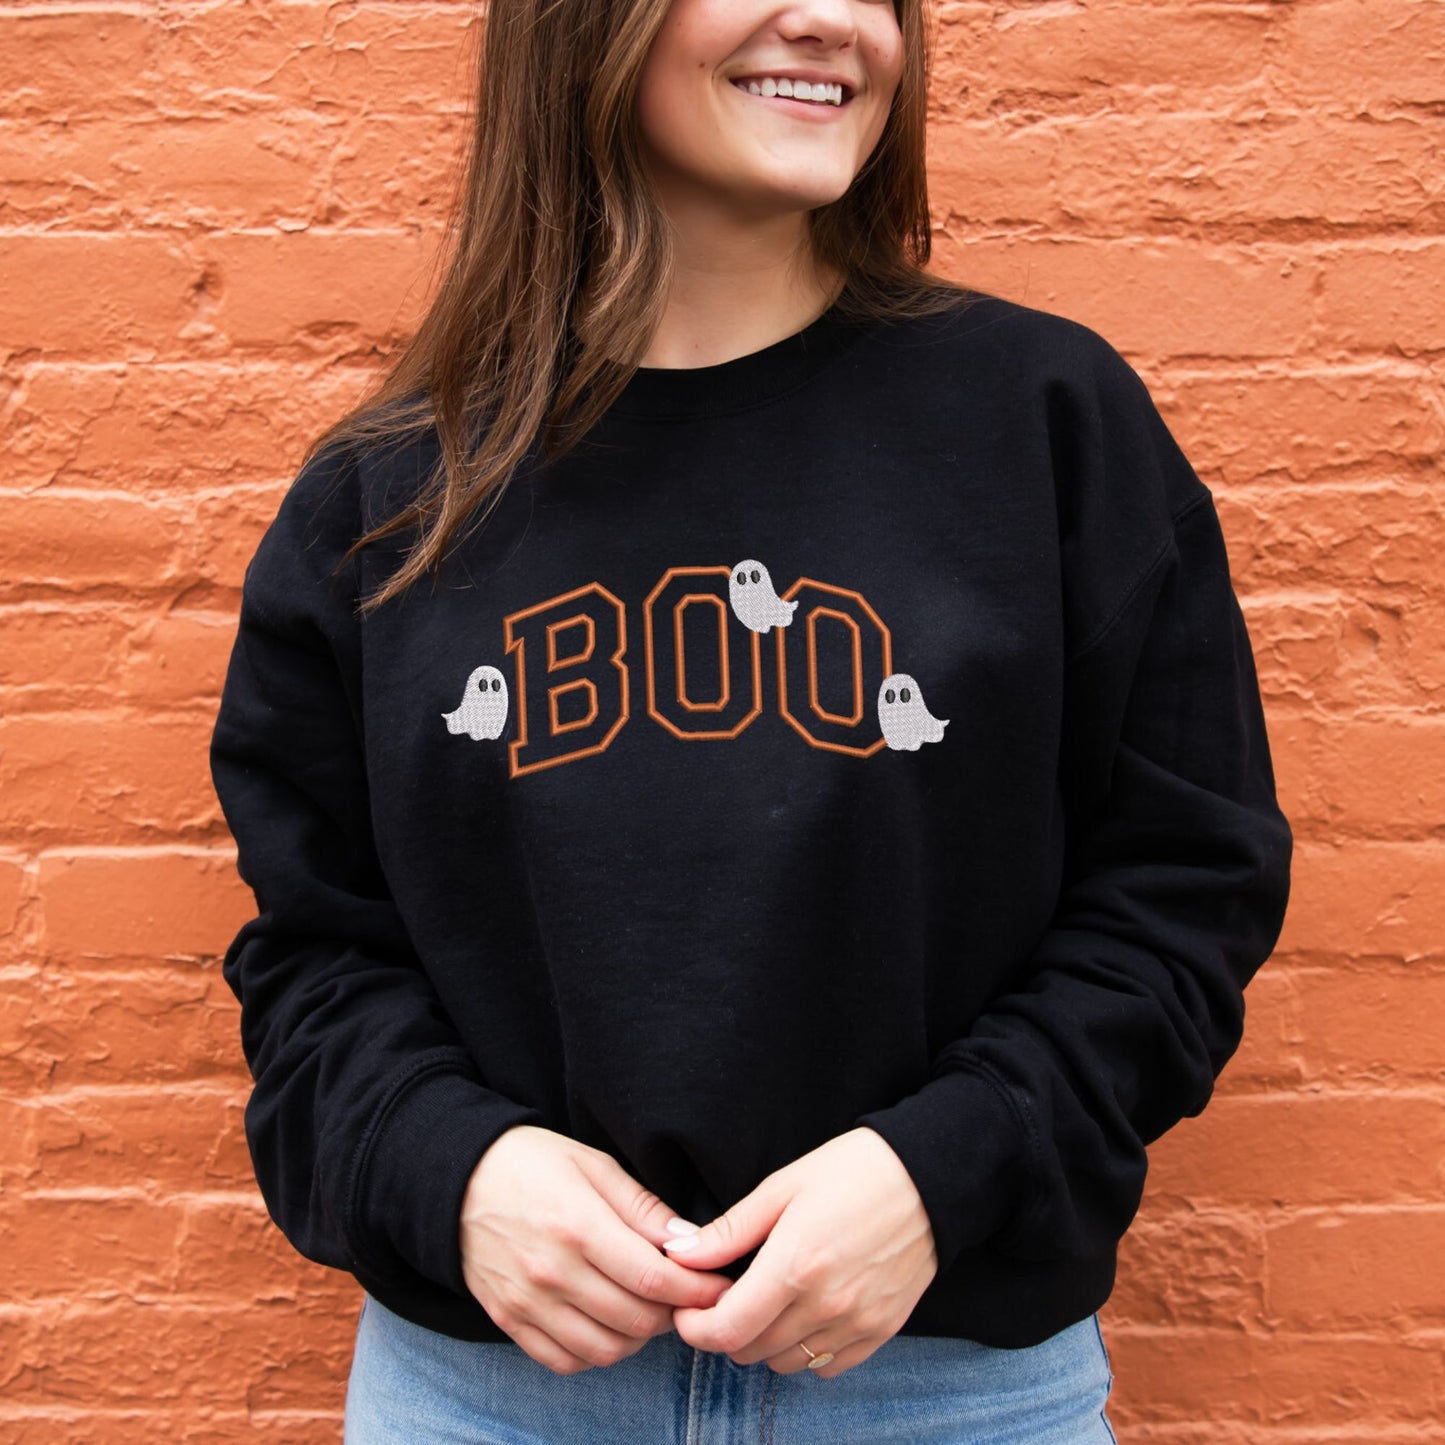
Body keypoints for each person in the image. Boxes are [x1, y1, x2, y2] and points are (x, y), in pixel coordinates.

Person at [208, 0, 1293, 1439]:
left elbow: (1182, 895)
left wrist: (940, 1170)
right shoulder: (391, 497)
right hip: (499, 1394)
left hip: (939, 1384)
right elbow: (313, 964)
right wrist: (450, 1166)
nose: (838, 23)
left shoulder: (1043, 422)